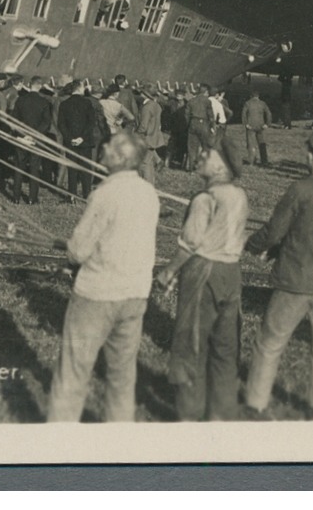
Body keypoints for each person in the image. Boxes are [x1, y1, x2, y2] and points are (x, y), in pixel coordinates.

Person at [45, 131, 160, 423]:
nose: (104, 149)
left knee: (74, 371)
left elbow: (80, 251)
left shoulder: (104, 193)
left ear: (121, 158)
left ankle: (58, 443)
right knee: (122, 376)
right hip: (135, 293)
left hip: (97, 293)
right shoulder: (149, 193)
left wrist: (69, 248)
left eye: (110, 146)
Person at [243, 129, 313, 420]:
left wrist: (252, 245)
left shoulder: (300, 189)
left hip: (297, 279)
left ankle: (255, 403)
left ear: (312, 157)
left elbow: (275, 231)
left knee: (270, 342)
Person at [157, 145, 249, 422]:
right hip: (231, 273)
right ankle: (222, 413)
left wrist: (168, 271)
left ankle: (190, 414)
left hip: (203, 271)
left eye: (206, 156)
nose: (199, 158)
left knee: (190, 343)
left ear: (220, 167)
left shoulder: (204, 198)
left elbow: (190, 243)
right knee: (226, 346)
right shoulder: (240, 195)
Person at [55, 79, 105, 200]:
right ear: (78, 88)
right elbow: (91, 123)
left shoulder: (64, 104)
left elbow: (61, 124)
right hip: (85, 141)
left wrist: (70, 138)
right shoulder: (87, 103)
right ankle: (86, 194)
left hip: (70, 142)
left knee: (72, 169)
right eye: (83, 87)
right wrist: (82, 137)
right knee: (85, 169)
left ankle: (72, 195)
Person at [10, 76, 56, 204]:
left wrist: (22, 135)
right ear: (40, 86)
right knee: (34, 169)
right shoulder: (44, 102)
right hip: (36, 139)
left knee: (19, 166)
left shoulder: (20, 100)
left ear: (29, 85)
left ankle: (16, 197)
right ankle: (32, 198)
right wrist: (35, 135)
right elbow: (46, 123)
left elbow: (14, 120)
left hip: (22, 137)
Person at [240, 89, 272, 168]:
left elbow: (243, 114)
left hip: (251, 125)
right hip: (260, 125)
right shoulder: (262, 103)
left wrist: (246, 124)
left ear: (251, 96)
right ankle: (264, 161)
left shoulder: (247, 103)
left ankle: (251, 161)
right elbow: (269, 114)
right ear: (258, 96)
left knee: (251, 144)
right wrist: (267, 124)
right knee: (262, 144)